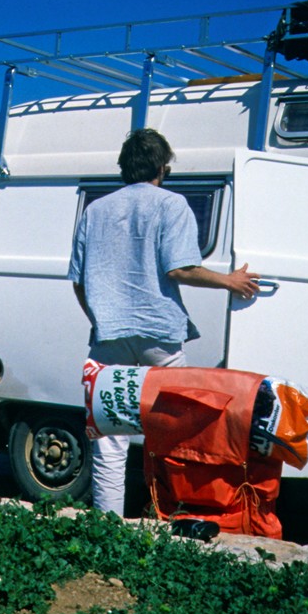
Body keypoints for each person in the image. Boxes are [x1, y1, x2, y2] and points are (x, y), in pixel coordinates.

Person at [68, 128, 261, 516]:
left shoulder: (95, 211)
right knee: (180, 429)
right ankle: (179, 516)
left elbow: (79, 281)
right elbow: (181, 268)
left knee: (108, 440)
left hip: (109, 338)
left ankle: (107, 529)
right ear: (162, 166)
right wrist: (230, 281)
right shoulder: (172, 205)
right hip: (161, 336)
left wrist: (103, 318)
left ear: (124, 166)